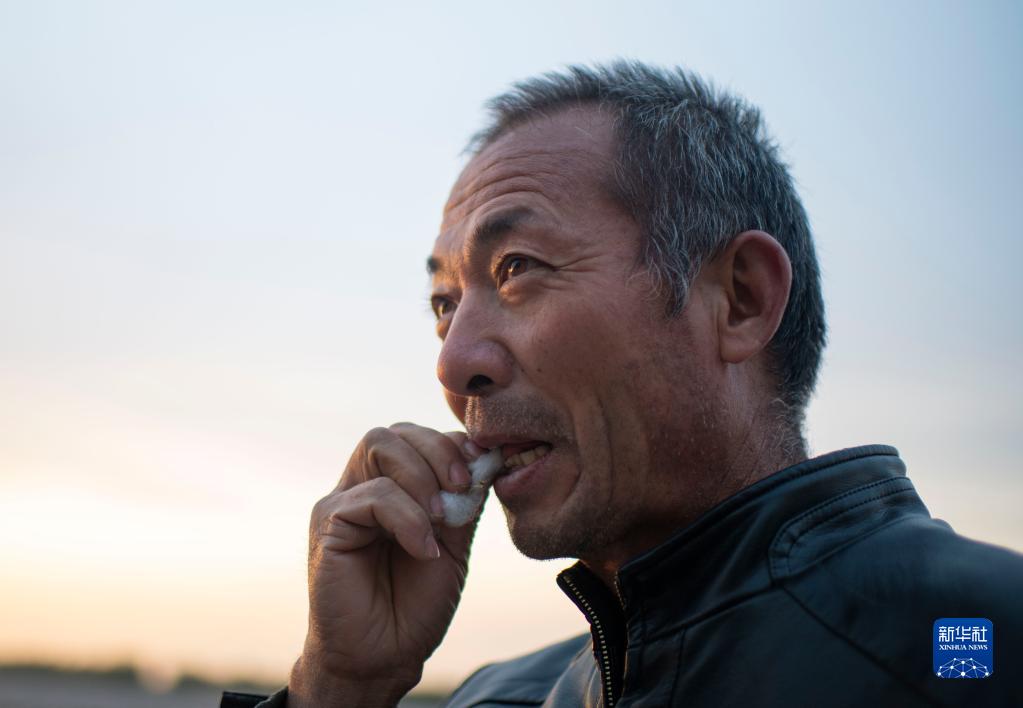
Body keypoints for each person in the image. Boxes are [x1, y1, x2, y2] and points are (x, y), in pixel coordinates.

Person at [221, 62, 1022, 708]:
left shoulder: (980, 642)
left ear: (739, 299)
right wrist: (339, 687)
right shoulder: (497, 697)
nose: (452, 363)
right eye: (443, 304)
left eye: (517, 268)